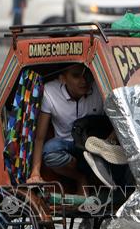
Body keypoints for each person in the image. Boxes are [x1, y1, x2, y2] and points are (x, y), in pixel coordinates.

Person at [27, 64, 104, 194]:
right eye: (76, 76)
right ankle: (80, 177)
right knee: (50, 151)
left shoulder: (99, 89)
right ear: (63, 79)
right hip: (65, 148)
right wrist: (35, 173)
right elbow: (40, 137)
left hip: (94, 146)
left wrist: (109, 144)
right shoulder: (50, 92)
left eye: (86, 75)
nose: (83, 81)